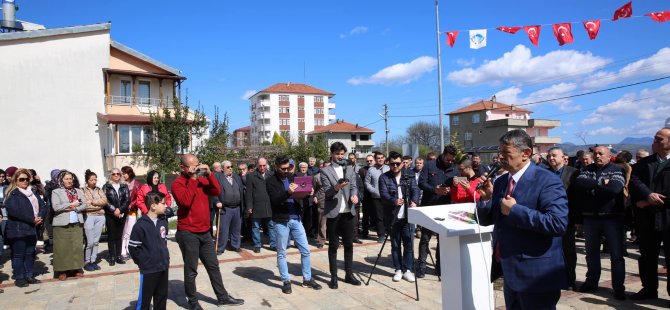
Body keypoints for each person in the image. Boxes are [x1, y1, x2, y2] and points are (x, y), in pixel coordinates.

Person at [476, 129, 568, 309]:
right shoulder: (502, 181)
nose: (500, 157)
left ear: (526, 153)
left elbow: (558, 223)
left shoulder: (547, 180)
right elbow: (489, 220)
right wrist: (486, 199)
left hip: (537, 274)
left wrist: (516, 210)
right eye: (499, 153)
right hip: (510, 270)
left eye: (506, 153)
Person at [172, 154, 244, 309]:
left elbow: (217, 190)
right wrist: (192, 179)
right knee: (191, 270)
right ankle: (192, 301)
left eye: (196, 164)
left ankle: (222, 297)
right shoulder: (178, 183)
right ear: (183, 168)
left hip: (205, 232)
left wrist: (210, 174)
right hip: (188, 233)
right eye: (191, 165)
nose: (195, 168)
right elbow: (185, 202)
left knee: (213, 266)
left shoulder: (201, 180)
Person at [574, 146, 627, 299]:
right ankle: (591, 282)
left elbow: (615, 188)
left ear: (609, 156)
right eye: (595, 153)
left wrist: (593, 185)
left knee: (616, 256)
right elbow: (579, 184)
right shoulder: (586, 169)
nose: (597, 156)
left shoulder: (617, 170)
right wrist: (602, 183)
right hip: (590, 218)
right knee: (591, 254)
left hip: (612, 217)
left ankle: (618, 288)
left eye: (600, 154)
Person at [266, 156, 322, 294]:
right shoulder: (270, 182)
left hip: (296, 219)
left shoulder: (293, 177)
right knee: (282, 253)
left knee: (305, 250)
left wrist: (308, 193)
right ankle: (286, 281)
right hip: (281, 221)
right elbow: (275, 201)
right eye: (283, 169)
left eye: (288, 168)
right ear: (276, 166)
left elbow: (299, 194)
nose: (286, 171)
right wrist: (288, 192)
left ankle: (307, 279)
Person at [628, 128, 670, 302]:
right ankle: (649, 289)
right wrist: (647, 196)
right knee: (647, 256)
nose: (654, 141)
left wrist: (655, 199)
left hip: (668, 217)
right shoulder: (644, 163)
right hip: (647, 218)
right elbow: (635, 182)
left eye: (659, 139)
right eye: (654, 138)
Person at [321, 142, 360, 289]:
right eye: (337, 154)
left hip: (348, 212)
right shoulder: (325, 171)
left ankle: (349, 274)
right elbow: (327, 193)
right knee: (333, 246)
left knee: (349, 245)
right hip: (334, 213)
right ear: (331, 154)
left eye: (342, 153)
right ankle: (334, 277)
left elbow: (354, 186)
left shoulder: (349, 168)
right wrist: (337, 187)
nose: (340, 156)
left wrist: (355, 195)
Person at [416, 145, 458, 278]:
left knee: (442, 239)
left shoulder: (455, 169)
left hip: (445, 208)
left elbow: (456, 189)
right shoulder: (429, 165)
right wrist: (435, 189)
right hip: (429, 206)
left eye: (452, 160)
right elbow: (421, 183)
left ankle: (440, 266)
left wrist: (449, 190)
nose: (449, 162)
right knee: (425, 238)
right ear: (443, 155)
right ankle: (421, 265)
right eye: (447, 159)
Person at [379, 151, 419, 283]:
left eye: (397, 163)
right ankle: (398, 269)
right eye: (392, 164)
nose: (395, 166)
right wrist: (394, 201)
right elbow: (384, 195)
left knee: (408, 244)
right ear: (389, 164)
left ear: (402, 163)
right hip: (393, 216)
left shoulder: (409, 176)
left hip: (408, 216)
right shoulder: (384, 178)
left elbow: (415, 190)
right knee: (395, 245)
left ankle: (407, 269)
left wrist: (414, 201)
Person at [4, 168, 46, 287]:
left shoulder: (32, 192)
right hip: (18, 229)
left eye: (27, 179)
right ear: (15, 180)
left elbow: (43, 206)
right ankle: (19, 277)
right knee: (19, 255)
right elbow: (14, 211)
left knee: (30, 253)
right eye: (22, 179)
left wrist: (40, 217)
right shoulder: (12, 193)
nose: (25, 181)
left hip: (32, 228)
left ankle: (29, 275)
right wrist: (31, 219)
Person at [546, 146, 580, 290]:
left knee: (568, 251)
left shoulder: (574, 173)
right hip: (547, 218)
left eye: (554, 155)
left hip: (567, 218)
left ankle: (570, 279)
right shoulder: (544, 173)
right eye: (549, 156)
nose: (551, 158)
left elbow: (579, 198)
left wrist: (578, 219)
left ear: (563, 157)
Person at [129, 192, 170, 310]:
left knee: (161, 298)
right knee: (145, 301)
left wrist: (164, 258)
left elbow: (163, 242)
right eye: (163, 203)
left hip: (163, 267)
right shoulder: (140, 225)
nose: (166, 206)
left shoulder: (163, 222)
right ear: (153, 206)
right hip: (149, 269)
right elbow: (133, 248)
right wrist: (143, 262)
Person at [51, 170, 88, 281]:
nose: (69, 181)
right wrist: (72, 204)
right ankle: (62, 271)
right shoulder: (56, 192)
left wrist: (74, 208)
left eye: (71, 178)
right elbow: (56, 207)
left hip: (77, 222)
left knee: (76, 246)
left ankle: (76, 268)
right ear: (61, 180)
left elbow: (84, 204)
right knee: (62, 248)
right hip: (62, 223)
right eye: (67, 179)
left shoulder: (78, 191)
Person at [212, 161, 244, 254]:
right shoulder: (218, 177)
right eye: (228, 167)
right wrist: (217, 201)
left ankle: (235, 246)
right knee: (223, 230)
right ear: (222, 169)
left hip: (237, 207)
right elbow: (214, 192)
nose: (230, 168)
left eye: (231, 166)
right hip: (225, 208)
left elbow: (241, 189)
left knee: (236, 229)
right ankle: (220, 247)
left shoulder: (236, 177)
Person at [244, 157, 276, 253]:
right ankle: (257, 245)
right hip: (256, 205)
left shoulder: (272, 174)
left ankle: (273, 244)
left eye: (264, 165)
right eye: (260, 165)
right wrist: (249, 206)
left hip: (269, 205)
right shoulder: (251, 176)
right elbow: (248, 192)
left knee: (271, 226)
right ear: (257, 165)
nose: (262, 167)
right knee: (256, 226)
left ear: (266, 165)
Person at [81, 169, 108, 272]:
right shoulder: (82, 190)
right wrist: (97, 205)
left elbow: (104, 201)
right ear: (87, 180)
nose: (94, 181)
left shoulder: (99, 189)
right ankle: (87, 261)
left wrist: (93, 202)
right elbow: (85, 204)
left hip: (100, 217)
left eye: (95, 179)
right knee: (90, 241)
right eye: (92, 180)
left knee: (96, 241)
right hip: (89, 216)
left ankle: (93, 260)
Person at [102, 168, 130, 266]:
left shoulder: (124, 186)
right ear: (111, 175)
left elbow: (127, 200)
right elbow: (105, 201)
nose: (116, 175)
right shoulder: (106, 186)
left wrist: (120, 210)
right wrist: (114, 209)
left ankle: (118, 256)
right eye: (114, 174)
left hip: (121, 214)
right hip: (110, 214)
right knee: (111, 236)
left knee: (119, 235)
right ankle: (112, 256)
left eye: (118, 173)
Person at [364, 151, 389, 242]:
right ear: (375, 159)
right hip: (376, 197)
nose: (380, 159)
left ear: (384, 158)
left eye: (382, 157)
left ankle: (389, 232)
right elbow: (367, 182)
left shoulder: (388, 168)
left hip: (388, 197)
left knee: (388, 215)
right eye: (378, 158)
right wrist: (373, 190)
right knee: (379, 217)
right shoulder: (371, 170)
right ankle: (381, 235)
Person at [121, 166, 142, 261]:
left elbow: (139, 197)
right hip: (122, 211)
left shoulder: (137, 184)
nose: (123, 175)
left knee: (129, 231)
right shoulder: (121, 184)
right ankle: (122, 250)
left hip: (132, 210)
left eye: (124, 173)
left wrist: (131, 205)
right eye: (122, 173)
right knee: (123, 231)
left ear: (129, 173)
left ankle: (128, 249)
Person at [42, 168, 61, 254]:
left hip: (61, 211)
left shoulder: (63, 185)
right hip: (51, 209)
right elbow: (46, 197)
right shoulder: (49, 186)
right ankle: (51, 245)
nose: (58, 178)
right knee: (51, 229)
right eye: (57, 176)